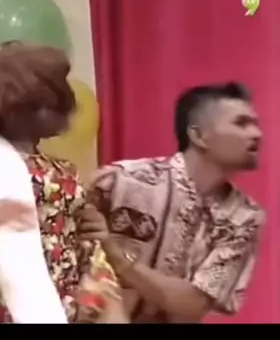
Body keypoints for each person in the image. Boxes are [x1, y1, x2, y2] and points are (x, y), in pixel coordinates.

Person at [0, 41, 128, 324]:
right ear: (16, 104)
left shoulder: (64, 172)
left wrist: (103, 304)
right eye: (48, 101)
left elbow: (89, 254)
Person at [77, 82, 265, 323]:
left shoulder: (243, 217)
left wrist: (118, 258)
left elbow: (193, 304)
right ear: (198, 136)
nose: (256, 134)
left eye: (255, 124)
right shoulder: (121, 181)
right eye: (241, 123)